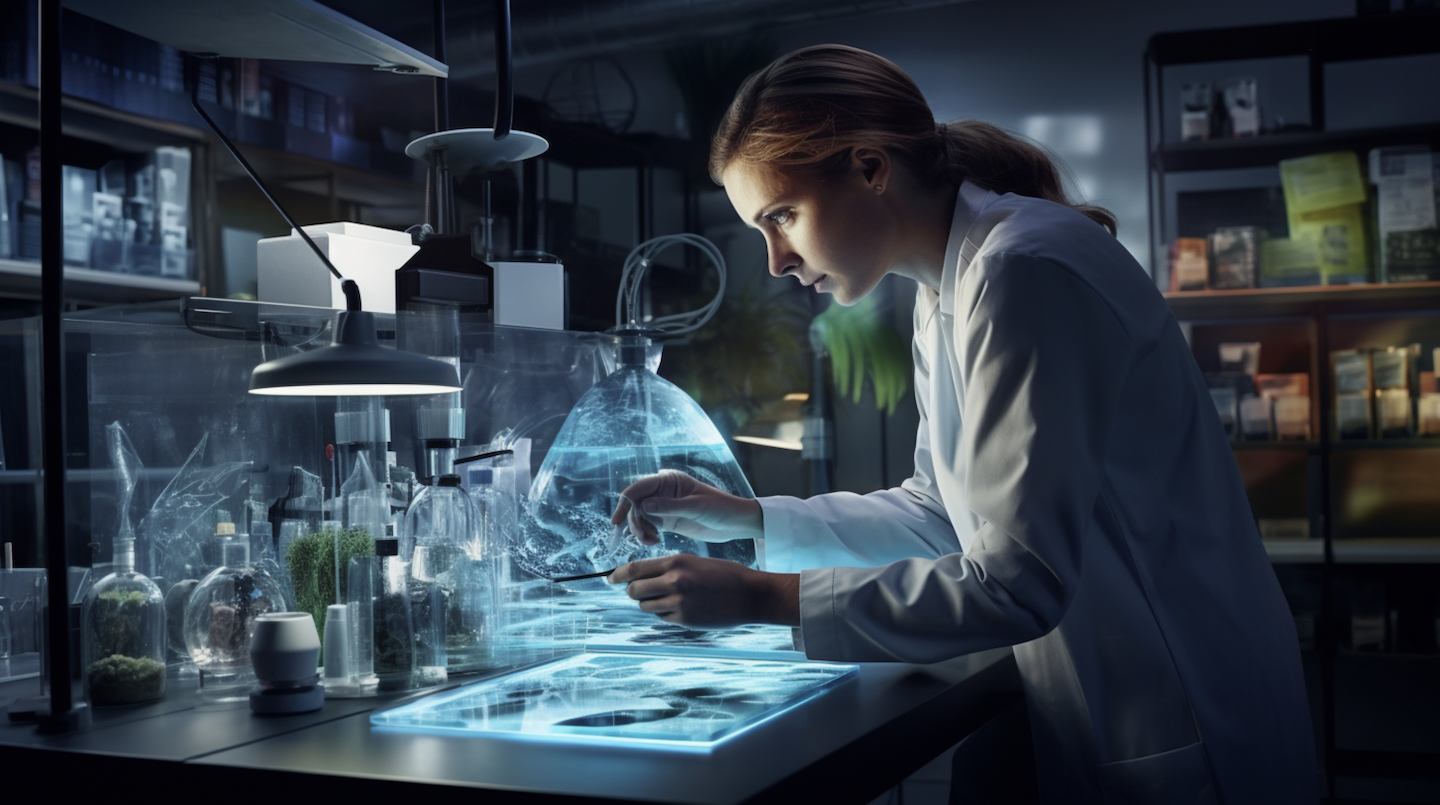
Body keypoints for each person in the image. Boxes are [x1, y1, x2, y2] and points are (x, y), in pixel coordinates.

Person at [606, 44, 1317, 804]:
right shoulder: (947, 283)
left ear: (871, 169)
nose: (776, 259)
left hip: (1186, 708)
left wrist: (762, 598)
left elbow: (1019, 583)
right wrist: (745, 519)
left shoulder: (1023, 267)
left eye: (782, 215)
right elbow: (942, 512)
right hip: (1127, 702)